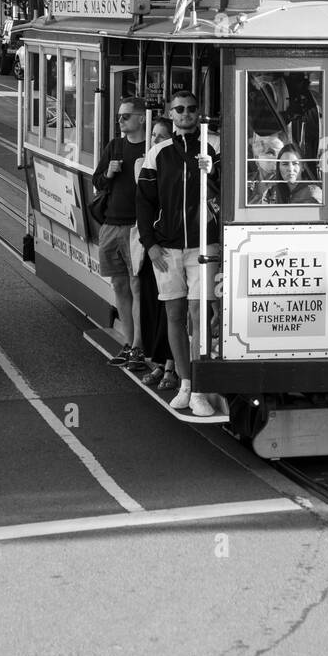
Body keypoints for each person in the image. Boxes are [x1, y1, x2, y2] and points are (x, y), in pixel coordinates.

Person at [136, 91, 220, 417]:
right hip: (167, 249)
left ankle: (199, 387)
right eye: (180, 109)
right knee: (174, 315)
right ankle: (185, 383)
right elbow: (144, 202)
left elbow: (225, 191)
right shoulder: (157, 153)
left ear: (199, 113)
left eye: (192, 109)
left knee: (199, 315)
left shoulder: (211, 147)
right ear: (171, 114)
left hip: (203, 244)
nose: (186, 114)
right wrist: (150, 243)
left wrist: (211, 171)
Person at [92, 97, 148, 372]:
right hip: (111, 225)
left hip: (136, 227)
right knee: (119, 286)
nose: (120, 121)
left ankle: (138, 346)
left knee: (137, 286)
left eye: (125, 116)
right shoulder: (115, 146)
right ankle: (128, 343)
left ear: (141, 118)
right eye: (119, 117)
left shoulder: (150, 149)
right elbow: (96, 180)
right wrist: (109, 173)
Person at [132, 117, 178, 391]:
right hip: (153, 247)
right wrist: (149, 245)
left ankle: (170, 365)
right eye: (153, 136)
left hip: (173, 247)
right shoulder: (146, 163)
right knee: (158, 306)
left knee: (174, 309)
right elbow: (144, 205)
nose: (155, 141)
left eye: (161, 136)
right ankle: (159, 361)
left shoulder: (175, 164)